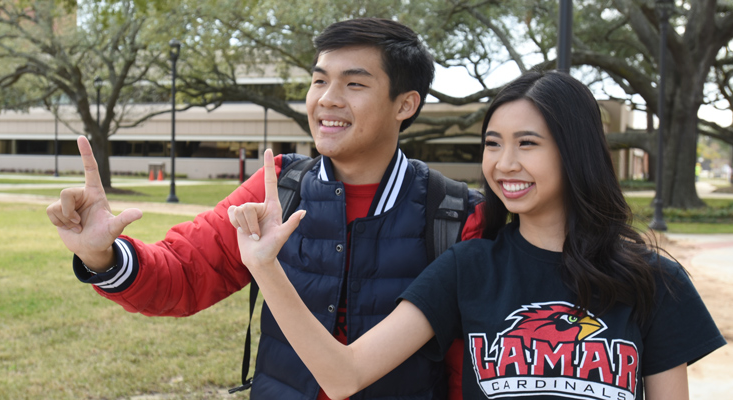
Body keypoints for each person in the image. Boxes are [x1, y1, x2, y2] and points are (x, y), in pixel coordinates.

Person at [46, 18, 484, 400]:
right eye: (319, 80)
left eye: (354, 83)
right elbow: (185, 272)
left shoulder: (456, 213)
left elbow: (469, 368)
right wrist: (102, 255)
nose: (327, 99)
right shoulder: (280, 186)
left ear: (405, 104)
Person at [227, 71, 725, 400]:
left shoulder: (654, 280)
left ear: (576, 152)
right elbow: (343, 376)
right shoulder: (469, 267)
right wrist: (265, 268)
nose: (504, 164)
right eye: (493, 144)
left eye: (527, 144)